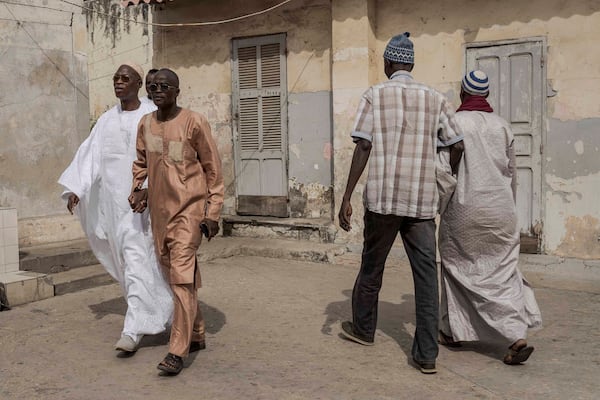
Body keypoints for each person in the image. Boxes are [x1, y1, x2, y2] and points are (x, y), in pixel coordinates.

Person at [337, 32, 464, 374]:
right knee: (425, 277)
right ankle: (426, 355)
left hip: (382, 201)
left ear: (390, 62)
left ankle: (363, 330)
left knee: (371, 268)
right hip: (421, 203)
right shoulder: (435, 98)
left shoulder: (375, 95)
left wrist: (347, 196)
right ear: (411, 63)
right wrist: (444, 180)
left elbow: (363, 146)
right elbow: (456, 145)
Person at [58, 62, 173, 354]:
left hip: (143, 206)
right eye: (115, 79)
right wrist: (76, 188)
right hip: (113, 207)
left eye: (125, 78)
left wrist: (150, 189)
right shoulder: (107, 120)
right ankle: (166, 312)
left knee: (139, 260)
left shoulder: (151, 116)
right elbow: (90, 157)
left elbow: (165, 157)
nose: (119, 83)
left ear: (138, 83)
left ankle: (133, 329)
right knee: (129, 264)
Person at [438, 70, 542, 365]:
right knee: (502, 273)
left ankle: (452, 331)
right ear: (485, 96)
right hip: (500, 209)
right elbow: (512, 173)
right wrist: (511, 208)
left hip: (464, 209)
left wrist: (439, 205)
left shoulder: (454, 123)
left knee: (456, 269)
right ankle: (515, 335)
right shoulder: (503, 126)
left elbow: (444, 170)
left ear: (462, 93)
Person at [129, 68, 224, 375]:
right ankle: (196, 333)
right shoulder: (145, 124)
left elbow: (213, 171)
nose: (157, 90)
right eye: (152, 86)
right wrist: (139, 191)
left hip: (190, 211)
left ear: (177, 91)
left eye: (164, 86)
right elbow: (141, 165)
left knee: (182, 276)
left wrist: (212, 214)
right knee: (175, 275)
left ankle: (177, 350)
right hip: (159, 215)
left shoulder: (194, 122)